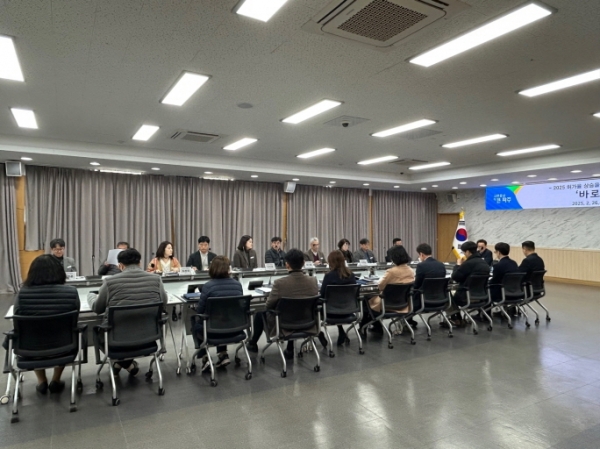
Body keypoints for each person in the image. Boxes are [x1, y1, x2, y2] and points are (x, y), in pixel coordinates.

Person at [88, 248, 168, 375]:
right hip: (149, 337)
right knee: (133, 327)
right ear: (140, 263)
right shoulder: (156, 279)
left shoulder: (109, 282)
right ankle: (127, 364)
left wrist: (91, 296)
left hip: (117, 339)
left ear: (120, 266)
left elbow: (97, 308)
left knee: (102, 332)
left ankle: (122, 363)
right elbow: (164, 303)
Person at [9, 255, 80, 394]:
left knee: (34, 333)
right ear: (60, 272)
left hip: (29, 348)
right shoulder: (71, 292)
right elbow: (75, 318)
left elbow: (17, 319)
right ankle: (56, 380)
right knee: (70, 333)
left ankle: (41, 381)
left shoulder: (22, 294)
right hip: (65, 346)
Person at [247, 249, 319, 358]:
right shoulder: (313, 281)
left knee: (260, 313)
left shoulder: (279, 283)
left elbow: (268, 306)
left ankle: (252, 343)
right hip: (307, 323)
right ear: (304, 263)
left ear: (287, 265)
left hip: (284, 325)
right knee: (296, 310)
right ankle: (289, 348)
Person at [193, 256, 242, 372]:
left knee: (195, 322)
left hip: (213, 331)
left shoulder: (208, 286)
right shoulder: (237, 285)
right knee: (223, 317)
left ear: (212, 269)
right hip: (235, 329)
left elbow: (200, 311)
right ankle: (223, 354)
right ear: (228, 269)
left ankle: (205, 357)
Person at [446, 241, 491, 327]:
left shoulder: (468, 263)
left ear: (467, 251)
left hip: (466, 297)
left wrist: (458, 265)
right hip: (482, 296)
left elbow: (455, 277)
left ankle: (456, 319)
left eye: (464, 252)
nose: (464, 254)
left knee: (448, 295)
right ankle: (458, 319)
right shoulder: (484, 263)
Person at [318, 250, 358, 347]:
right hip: (349, 311)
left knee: (316, 305)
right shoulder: (351, 275)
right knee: (338, 303)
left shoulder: (328, 276)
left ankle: (318, 333)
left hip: (330, 312)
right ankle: (341, 331)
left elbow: (322, 295)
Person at [366, 245, 414, 319]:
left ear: (394, 258)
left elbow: (380, 287)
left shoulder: (391, 272)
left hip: (386, 304)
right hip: (404, 304)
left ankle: (373, 323)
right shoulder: (411, 271)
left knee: (366, 299)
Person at [412, 243, 447, 326]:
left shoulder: (421, 266)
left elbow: (417, 285)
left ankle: (408, 320)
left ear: (421, 254)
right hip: (441, 299)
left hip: (424, 300)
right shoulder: (441, 264)